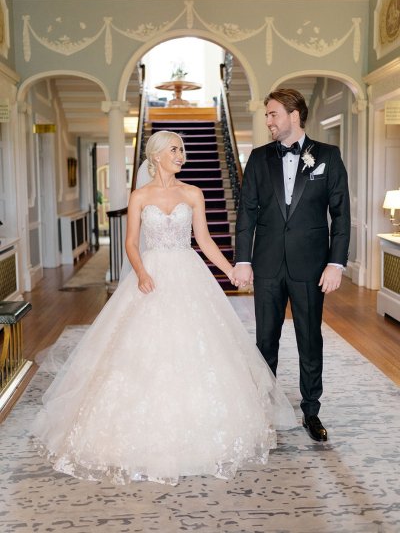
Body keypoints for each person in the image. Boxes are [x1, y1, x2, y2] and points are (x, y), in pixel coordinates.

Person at [31, 130, 297, 486]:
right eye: (175, 149)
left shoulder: (193, 193)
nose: (182, 154)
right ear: (156, 156)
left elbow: (204, 240)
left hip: (188, 273)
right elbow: (130, 243)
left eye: (183, 149)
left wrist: (231, 269)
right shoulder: (139, 196)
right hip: (152, 275)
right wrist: (140, 273)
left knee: (198, 348)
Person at [233, 89, 350, 443]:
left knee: (309, 340)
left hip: (311, 267)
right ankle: (265, 412)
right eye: (267, 115)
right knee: (265, 341)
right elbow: (247, 214)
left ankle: (311, 412)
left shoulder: (328, 156)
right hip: (267, 265)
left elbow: (341, 215)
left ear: (294, 115)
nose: (268, 121)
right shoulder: (257, 158)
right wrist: (243, 259)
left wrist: (336, 263)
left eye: (273, 114)